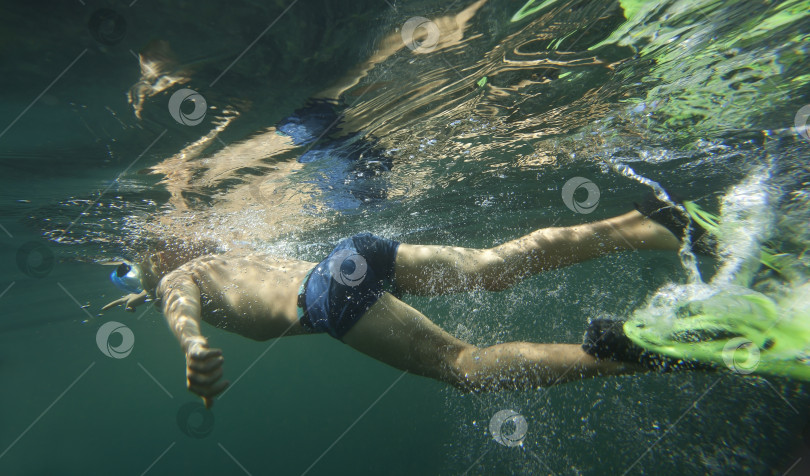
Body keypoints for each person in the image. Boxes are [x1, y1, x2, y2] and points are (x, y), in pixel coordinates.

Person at [102, 197, 712, 408]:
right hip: (349, 257)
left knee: (464, 366)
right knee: (491, 267)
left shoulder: (174, 280)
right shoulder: (219, 259)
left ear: (155, 259)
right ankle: (652, 224)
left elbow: (178, 307)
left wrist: (194, 347)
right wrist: (142, 295)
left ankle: (623, 353)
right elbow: (184, 289)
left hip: (326, 298)